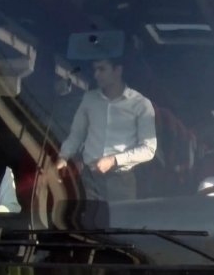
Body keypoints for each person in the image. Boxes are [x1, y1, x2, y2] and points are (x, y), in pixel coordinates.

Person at [55, 57, 157, 202]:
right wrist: (63, 157)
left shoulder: (140, 104)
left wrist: (114, 160)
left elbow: (149, 149)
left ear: (118, 71)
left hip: (121, 181)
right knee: (86, 222)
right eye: (95, 69)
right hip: (89, 179)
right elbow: (76, 135)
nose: (96, 74)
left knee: (120, 224)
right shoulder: (89, 99)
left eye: (102, 69)